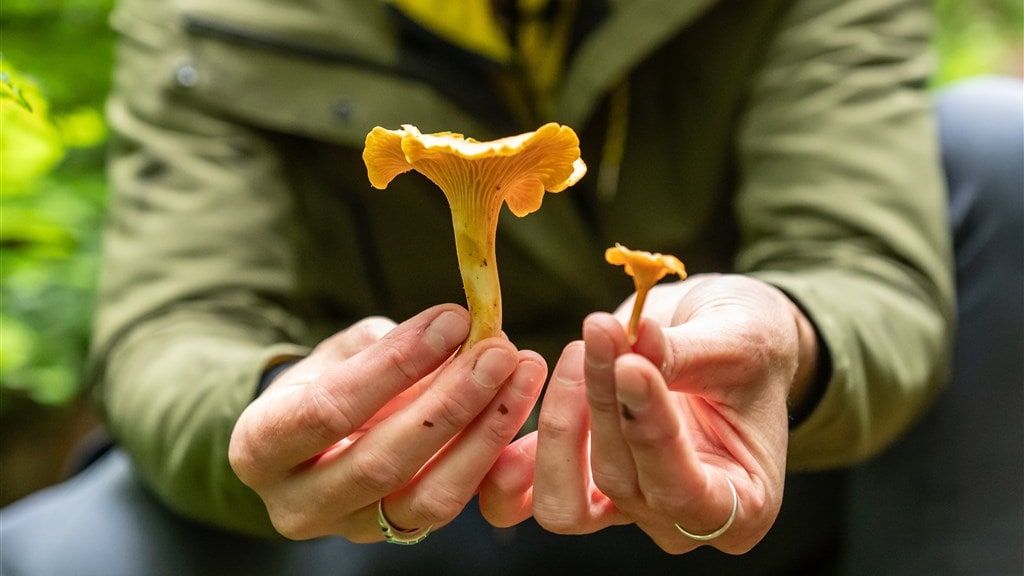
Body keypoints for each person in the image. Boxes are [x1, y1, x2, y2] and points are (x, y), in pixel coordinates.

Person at [1, 0, 1020, 574]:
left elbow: (865, 271)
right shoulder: (208, 17)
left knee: (996, 148)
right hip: (392, 516)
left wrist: (791, 341)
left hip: (736, 485)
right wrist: (281, 409)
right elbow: (176, 323)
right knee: (51, 557)